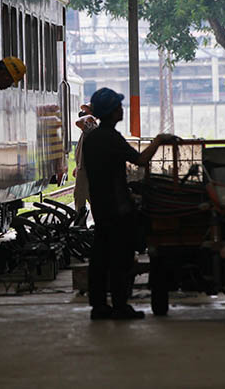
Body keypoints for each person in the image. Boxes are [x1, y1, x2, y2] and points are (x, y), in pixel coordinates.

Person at [83, 87, 175, 320]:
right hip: (118, 208)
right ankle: (120, 307)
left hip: (101, 207)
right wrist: (159, 140)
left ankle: (99, 307)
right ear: (113, 112)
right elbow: (141, 160)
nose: (121, 110)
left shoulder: (91, 138)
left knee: (100, 258)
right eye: (119, 107)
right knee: (121, 259)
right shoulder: (111, 138)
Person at [73, 105, 98, 225]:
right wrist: (77, 165)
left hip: (86, 171)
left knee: (80, 197)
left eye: (86, 110)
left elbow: (78, 122)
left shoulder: (91, 127)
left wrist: (90, 116)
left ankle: (81, 225)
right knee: (89, 197)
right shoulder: (90, 128)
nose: (82, 112)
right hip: (83, 168)